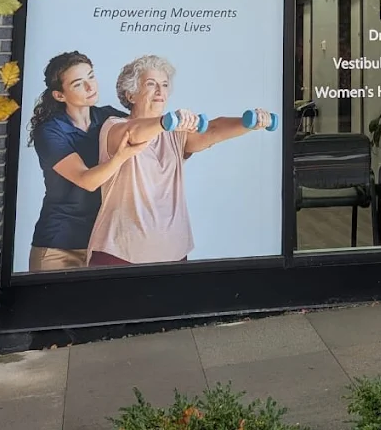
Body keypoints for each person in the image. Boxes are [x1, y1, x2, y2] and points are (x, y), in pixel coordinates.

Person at [87, 54, 273, 266]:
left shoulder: (174, 133)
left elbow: (212, 129)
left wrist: (248, 123)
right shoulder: (114, 126)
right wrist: (166, 122)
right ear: (131, 95)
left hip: (173, 253)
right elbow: (134, 132)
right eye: (151, 84)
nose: (160, 91)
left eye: (165, 85)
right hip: (119, 254)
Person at [24, 51, 128, 272]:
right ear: (59, 95)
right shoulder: (51, 132)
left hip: (100, 244)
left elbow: (142, 130)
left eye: (91, 76)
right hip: (58, 247)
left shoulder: (108, 118)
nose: (90, 87)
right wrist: (121, 156)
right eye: (78, 84)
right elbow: (86, 180)